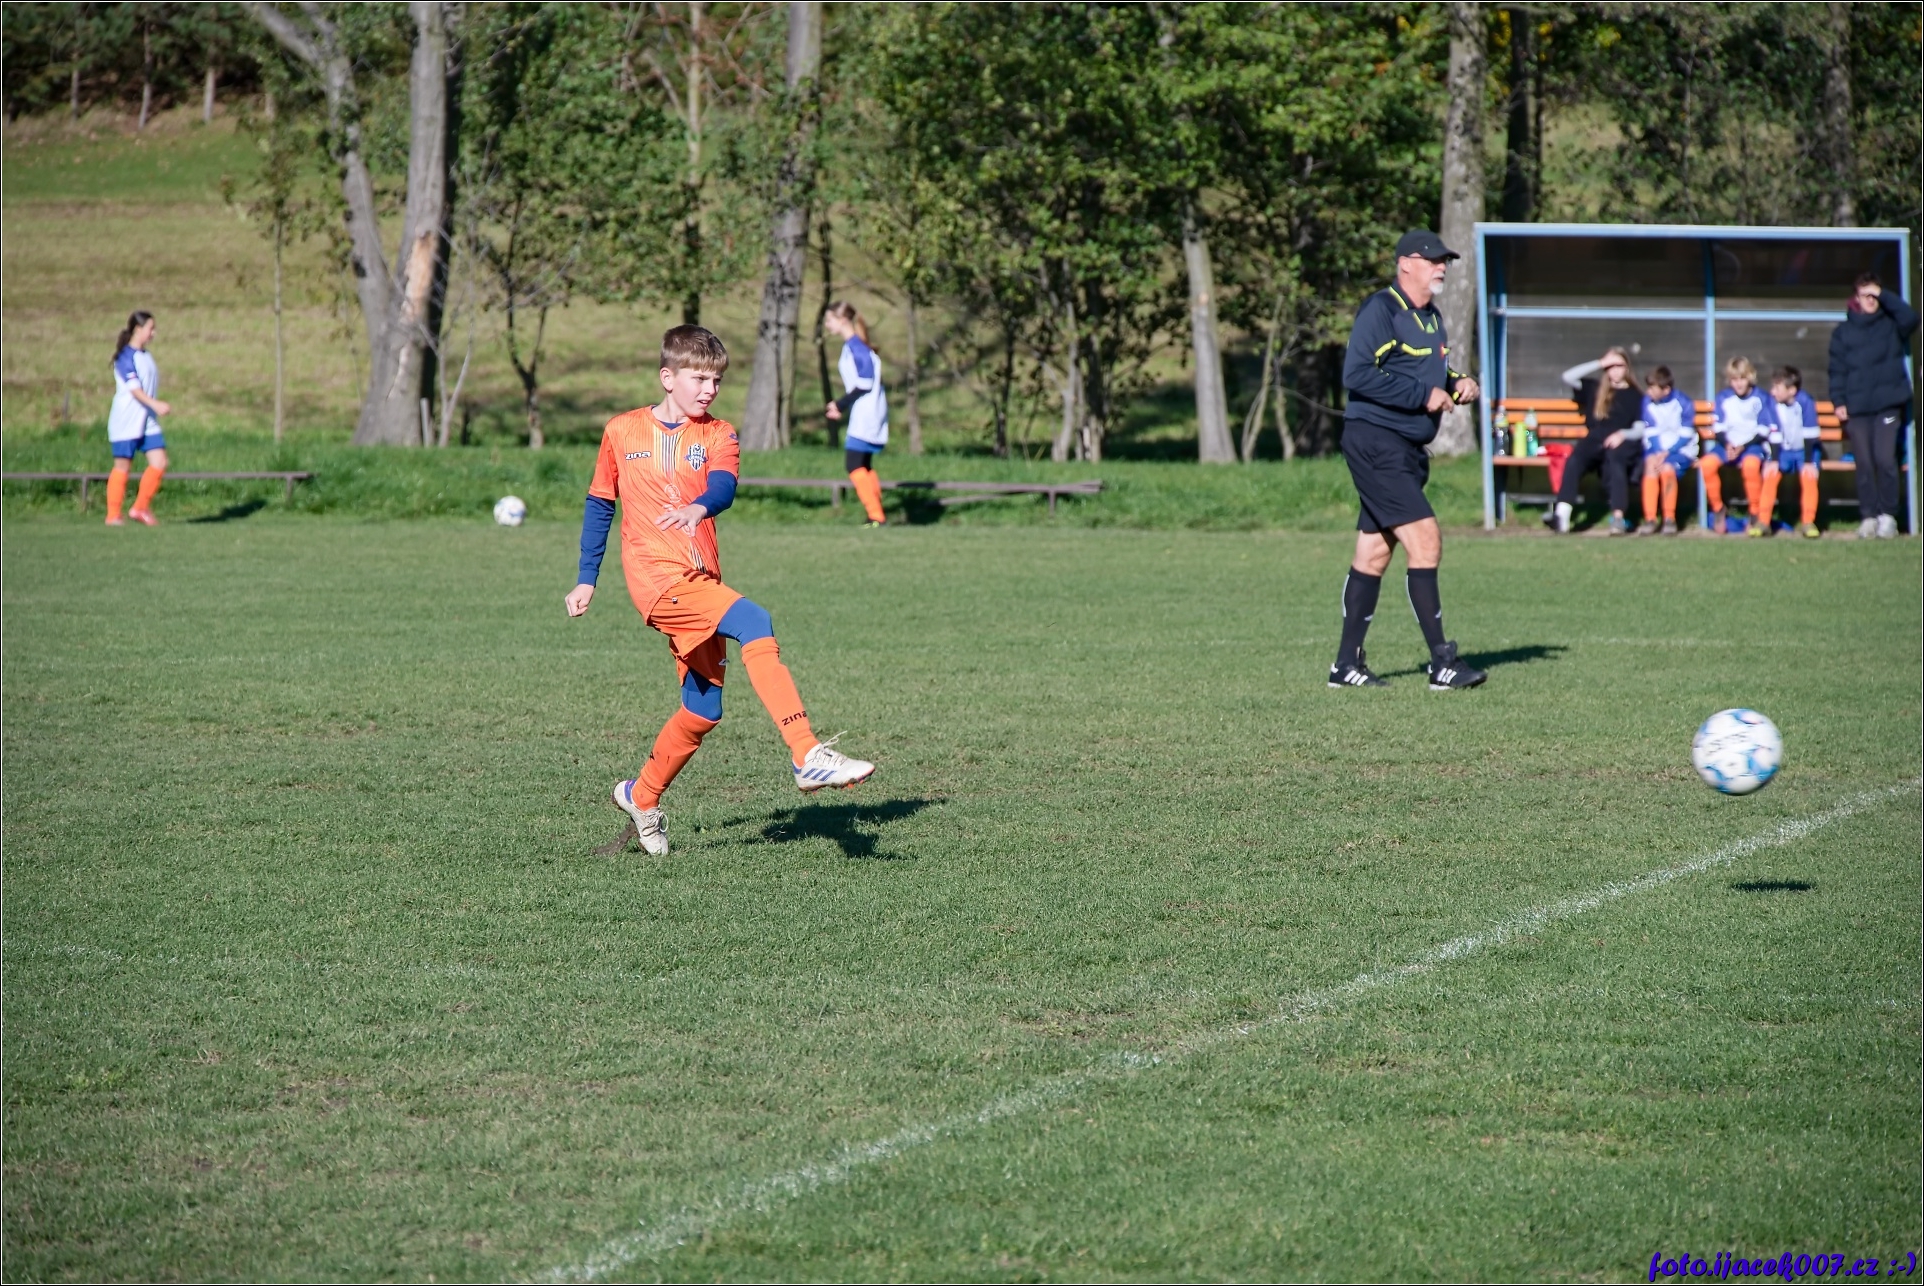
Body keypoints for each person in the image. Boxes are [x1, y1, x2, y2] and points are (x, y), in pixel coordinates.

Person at [565, 325, 875, 857]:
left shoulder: (719, 434)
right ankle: (806, 753)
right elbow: (600, 504)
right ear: (668, 377)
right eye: (699, 379)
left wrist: (698, 507)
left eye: (717, 380)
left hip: (700, 580)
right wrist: (586, 577)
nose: (709, 389)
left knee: (702, 710)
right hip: (658, 581)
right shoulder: (621, 430)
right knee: (755, 620)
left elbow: (724, 487)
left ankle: (640, 795)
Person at [1328, 229, 1485, 691]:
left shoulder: (1432, 317)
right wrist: (1423, 394)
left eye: (1445, 261)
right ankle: (1442, 663)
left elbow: (1429, 370)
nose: (1442, 267)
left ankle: (1345, 666)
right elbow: (1357, 374)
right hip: (1376, 443)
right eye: (1433, 259)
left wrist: (1457, 382)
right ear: (1405, 264)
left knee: (1374, 553)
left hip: (1405, 450)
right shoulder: (1382, 310)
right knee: (1426, 541)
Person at [1827, 273, 1918, 539]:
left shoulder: (1891, 323)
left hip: (1888, 405)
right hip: (1857, 407)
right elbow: (1836, 371)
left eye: (1874, 295)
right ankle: (1868, 517)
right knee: (1864, 463)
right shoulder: (1843, 333)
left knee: (1885, 459)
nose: (1870, 300)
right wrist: (1839, 401)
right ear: (1855, 297)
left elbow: (1911, 318)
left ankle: (1888, 517)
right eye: (1865, 294)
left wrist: (1883, 294)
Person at [823, 301, 889, 527]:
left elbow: (865, 382)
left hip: (867, 413)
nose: (827, 325)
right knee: (864, 464)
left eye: (829, 320)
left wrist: (840, 404)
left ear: (842, 320)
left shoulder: (856, 347)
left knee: (853, 464)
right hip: (868, 411)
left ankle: (876, 515)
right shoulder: (854, 345)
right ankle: (876, 515)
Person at [105, 310, 171, 526]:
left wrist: (152, 408)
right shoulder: (125, 357)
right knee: (123, 466)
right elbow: (135, 390)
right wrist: (156, 404)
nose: (154, 333)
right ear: (138, 329)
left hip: (147, 420)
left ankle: (140, 508)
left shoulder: (146, 356)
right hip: (127, 420)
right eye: (151, 328)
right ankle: (113, 515)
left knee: (160, 462)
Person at [1701, 357, 1776, 534]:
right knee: (1706, 464)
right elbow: (1718, 428)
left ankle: (1754, 512)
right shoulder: (1723, 397)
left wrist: (1743, 446)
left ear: (1750, 377)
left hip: (1752, 445)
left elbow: (1764, 430)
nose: (1738, 383)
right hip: (1728, 444)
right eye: (1734, 379)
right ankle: (1718, 509)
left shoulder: (1761, 397)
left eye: (1742, 378)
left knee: (1750, 466)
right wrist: (1727, 444)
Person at [1631, 366, 1697, 536]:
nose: (1648, 392)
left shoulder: (1683, 402)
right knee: (1650, 466)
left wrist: (1668, 452)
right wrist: (1658, 451)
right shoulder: (1647, 402)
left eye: (1652, 388)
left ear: (1666, 389)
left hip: (1681, 449)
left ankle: (1669, 518)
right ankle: (1650, 519)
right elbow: (1651, 431)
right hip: (1658, 449)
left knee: (1667, 469)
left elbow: (1686, 434)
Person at [1762, 366, 1823, 540]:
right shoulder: (1772, 403)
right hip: (1782, 451)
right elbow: (1774, 433)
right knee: (1770, 474)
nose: (1772, 392)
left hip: (1805, 451)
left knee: (1808, 476)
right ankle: (1763, 522)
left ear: (1792, 390)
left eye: (1777, 388)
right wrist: (1774, 460)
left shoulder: (1805, 402)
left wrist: (1809, 462)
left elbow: (1810, 434)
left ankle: (1808, 522)